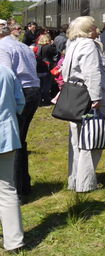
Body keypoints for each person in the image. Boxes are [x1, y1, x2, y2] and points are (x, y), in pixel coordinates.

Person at [62, 16, 105, 192]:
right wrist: (96, 98)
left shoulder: (72, 43)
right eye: (94, 26)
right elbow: (92, 73)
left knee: (76, 140)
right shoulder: (88, 45)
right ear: (88, 30)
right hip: (89, 98)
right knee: (91, 140)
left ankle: (74, 180)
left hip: (76, 96)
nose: (97, 29)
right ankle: (86, 184)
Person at [0, 23, 41, 196]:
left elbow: (6, 76)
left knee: (13, 143)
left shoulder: (2, 48)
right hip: (33, 90)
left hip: (20, 92)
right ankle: (23, 185)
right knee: (20, 140)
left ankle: (15, 188)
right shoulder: (22, 46)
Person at [0, 63, 26, 252]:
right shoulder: (6, 71)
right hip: (5, 135)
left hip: (6, 133)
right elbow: (20, 102)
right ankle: (14, 242)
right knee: (7, 190)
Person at [35, 33, 57, 106]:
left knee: (39, 86)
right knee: (46, 86)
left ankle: (39, 100)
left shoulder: (37, 47)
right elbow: (55, 55)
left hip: (38, 67)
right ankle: (46, 100)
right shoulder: (49, 47)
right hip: (47, 67)